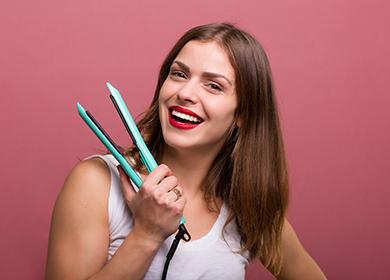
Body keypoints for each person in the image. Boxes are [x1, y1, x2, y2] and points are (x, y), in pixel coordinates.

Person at [45, 23, 327, 279]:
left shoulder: (248, 206)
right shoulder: (96, 182)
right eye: (179, 74)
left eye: (214, 86)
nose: (186, 93)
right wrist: (147, 234)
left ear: (243, 113)